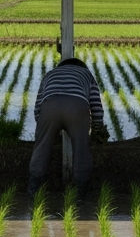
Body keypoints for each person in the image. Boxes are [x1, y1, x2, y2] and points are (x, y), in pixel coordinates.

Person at [29, 57, 108, 196]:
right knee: (81, 148)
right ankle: (81, 192)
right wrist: (97, 131)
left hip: (50, 107)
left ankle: (34, 188)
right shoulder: (87, 74)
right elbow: (96, 107)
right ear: (82, 66)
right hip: (77, 108)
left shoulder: (50, 74)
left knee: (41, 148)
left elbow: (37, 108)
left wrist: (45, 131)